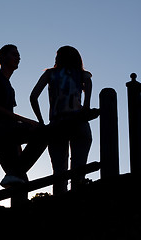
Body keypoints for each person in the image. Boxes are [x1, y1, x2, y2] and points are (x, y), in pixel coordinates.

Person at [0, 44, 47, 188]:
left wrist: (19, 148)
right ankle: (14, 174)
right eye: (14, 54)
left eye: (19, 55)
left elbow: (9, 118)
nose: (18, 57)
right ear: (2, 57)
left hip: (8, 134)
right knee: (42, 132)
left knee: (19, 179)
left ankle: (13, 175)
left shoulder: (10, 88)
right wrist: (27, 121)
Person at [30, 45, 93, 195]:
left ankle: (60, 207)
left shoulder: (50, 74)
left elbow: (33, 97)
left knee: (59, 172)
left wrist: (41, 121)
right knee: (79, 169)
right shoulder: (81, 74)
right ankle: (78, 202)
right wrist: (87, 105)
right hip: (78, 120)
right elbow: (89, 82)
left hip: (57, 124)